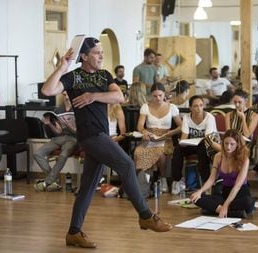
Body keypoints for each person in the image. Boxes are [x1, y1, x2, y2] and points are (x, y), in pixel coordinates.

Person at [42, 37, 172, 249]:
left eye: (102, 52)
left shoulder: (104, 75)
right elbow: (47, 91)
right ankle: (145, 215)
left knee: (87, 188)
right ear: (83, 56)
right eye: (96, 52)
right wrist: (62, 66)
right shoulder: (72, 77)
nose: (101, 56)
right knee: (127, 164)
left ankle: (73, 232)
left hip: (101, 135)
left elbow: (119, 96)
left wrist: (93, 95)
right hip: (90, 135)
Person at [190, 129, 255, 218]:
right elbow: (211, 179)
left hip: (240, 193)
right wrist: (200, 191)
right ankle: (235, 213)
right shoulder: (218, 157)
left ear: (238, 145)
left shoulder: (244, 159)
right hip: (224, 192)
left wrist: (225, 206)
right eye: (226, 143)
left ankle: (213, 210)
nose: (228, 147)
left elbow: (237, 186)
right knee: (195, 198)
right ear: (222, 143)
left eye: (232, 144)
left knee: (249, 203)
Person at [134, 82, 182, 193]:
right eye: (155, 96)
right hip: (150, 137)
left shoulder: (172, 107)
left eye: (160, 95)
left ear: (164, 94)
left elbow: (180, 126)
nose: (158, 98)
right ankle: (144, 181)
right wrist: (144, 131)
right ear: (151, 95)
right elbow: (140, 125)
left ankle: (163, 178)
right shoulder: (146, 107)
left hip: (166, 137)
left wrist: (171, 133)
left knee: (161, 154)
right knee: (138, 152)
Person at [171, 96, 218, 194]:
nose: (199, 108)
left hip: (208, 144)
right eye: (195, 106)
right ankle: (177, 180)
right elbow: (184, 137)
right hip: (192, 144)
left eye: (201, 105)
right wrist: (182, 143)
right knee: (178, 149)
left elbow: (208, 138)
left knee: (202, 149)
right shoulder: (187, 118)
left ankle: (206, 183)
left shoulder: (209, 118)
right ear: (190, 108)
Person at [34, 91, 78, 192]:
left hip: (74, 138)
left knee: (63, 155)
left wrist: (70, 126)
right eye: (64, 92)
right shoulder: (58, 110)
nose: (66, 94)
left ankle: (48, 181)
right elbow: (58, 131)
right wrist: (49, 124)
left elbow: (78, 132)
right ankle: (54, 180)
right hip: (60, 138)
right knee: (37, 153)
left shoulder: (78, 109)